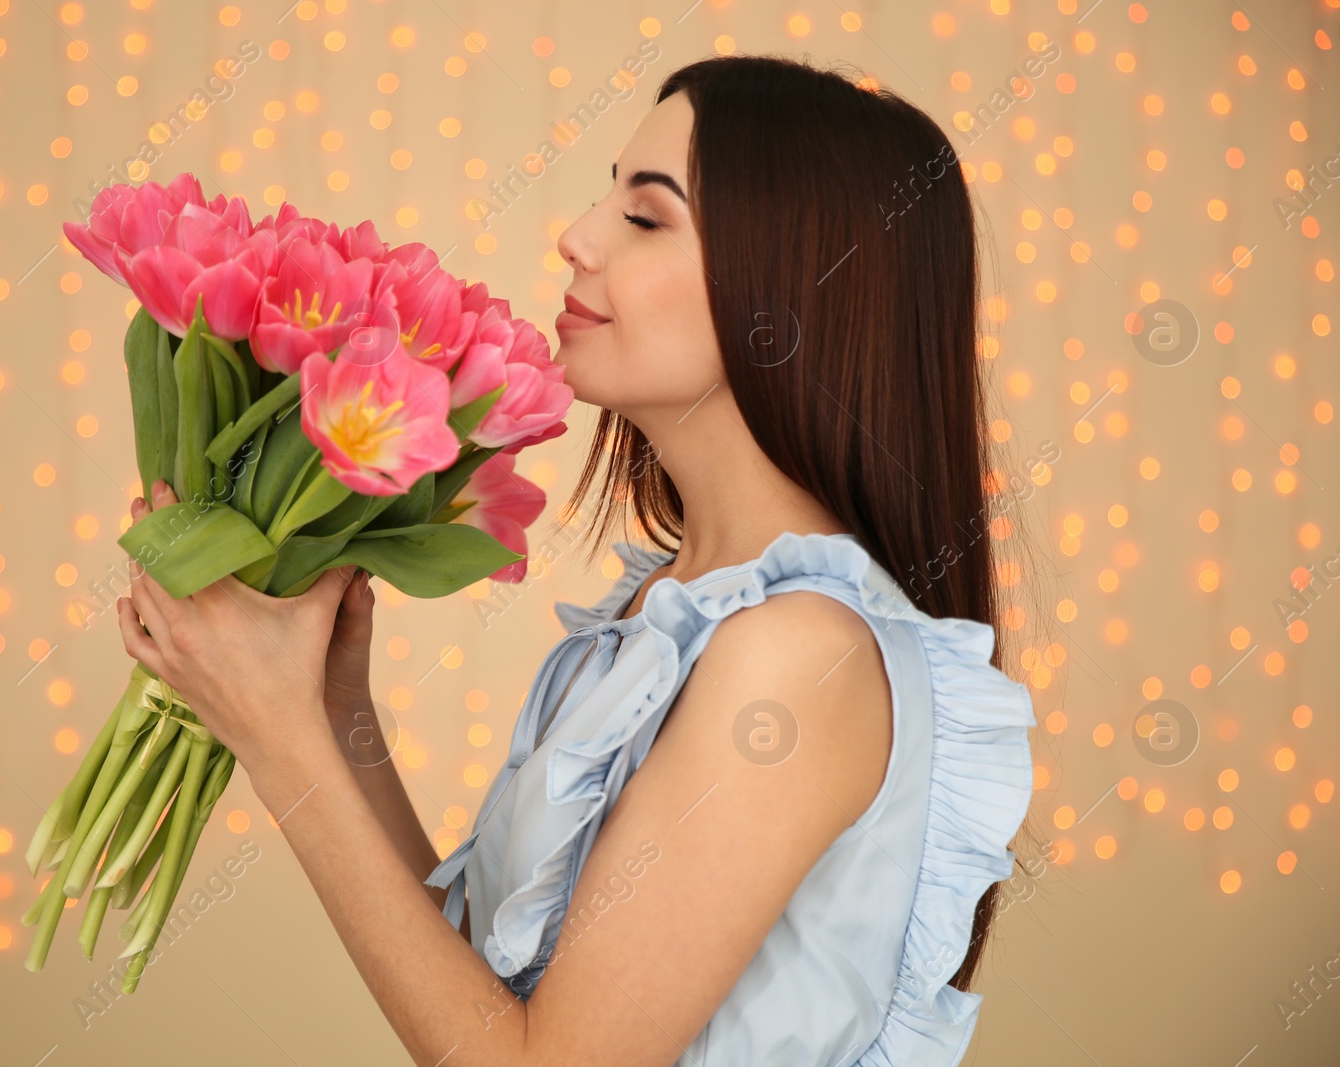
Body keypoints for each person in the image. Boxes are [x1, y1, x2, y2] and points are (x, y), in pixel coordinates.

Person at [121, 52, 1040, 1067]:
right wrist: (334, 706)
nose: (576, 237)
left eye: (645, 218)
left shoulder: (793, 658)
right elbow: (487, 992)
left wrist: (276, 735)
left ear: (795, 286)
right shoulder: (668, 603)